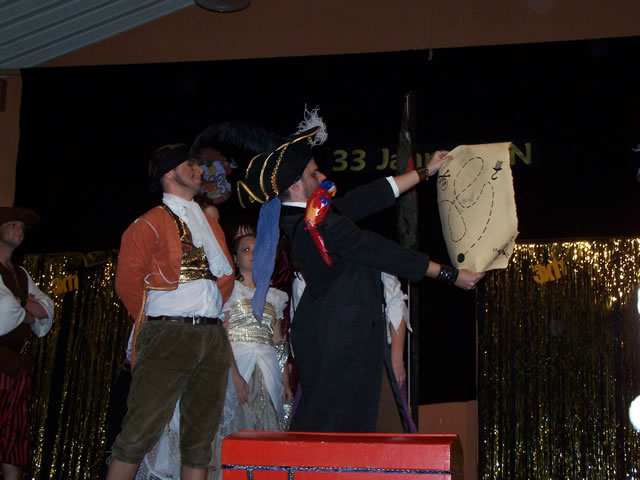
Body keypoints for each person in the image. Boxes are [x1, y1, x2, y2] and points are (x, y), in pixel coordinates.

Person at [237, 108, 484, 432]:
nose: (322, 178)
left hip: (345, 338)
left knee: (356, 432)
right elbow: (377, 249)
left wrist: (427, 170)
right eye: (314, 174)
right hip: (336, 344)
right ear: (296, 185)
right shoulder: (312, 226)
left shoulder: (314, 217)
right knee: (336, 435)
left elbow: (368, 197)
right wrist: (451, 275)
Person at [107, 143, 235, 480]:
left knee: (200, 442)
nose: (199, 169)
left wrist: (208, 314)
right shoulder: (148, 223)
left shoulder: (211, 225)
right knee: (138, 433)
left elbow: (225, 279)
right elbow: (127, 284)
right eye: (190, 164)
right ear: (169, 173)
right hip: (169, 333)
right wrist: (157, 324)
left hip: (212, 335)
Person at [0, 207, 54, 480]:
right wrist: (27, 310)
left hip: (19, 366)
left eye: (22, 227)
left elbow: (46, 307)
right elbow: (3, 312)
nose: (19, 229)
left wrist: (21, 304)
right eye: (13, 224)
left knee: (14, 433)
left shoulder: (21, 274)